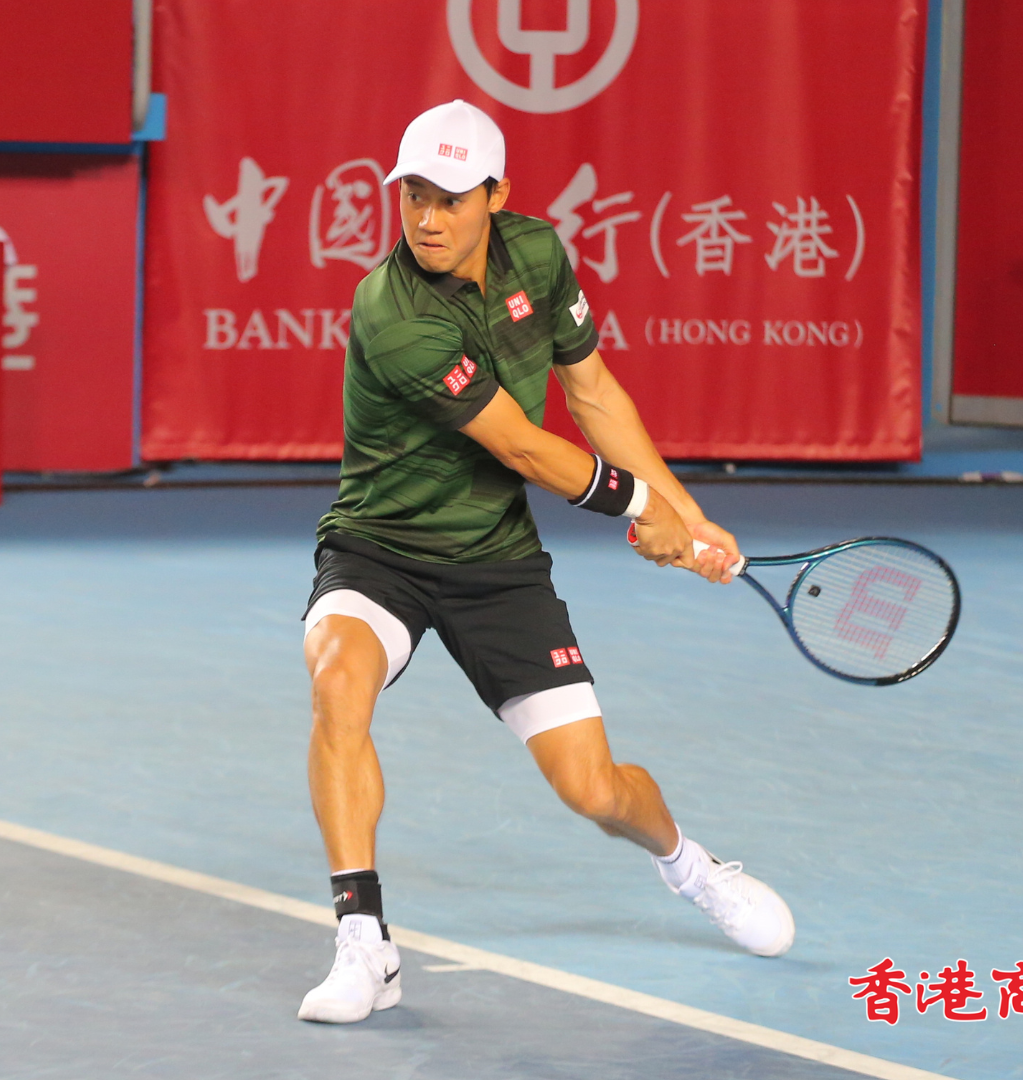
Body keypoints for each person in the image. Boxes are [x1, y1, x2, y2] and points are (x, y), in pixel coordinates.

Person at [297, 100, 794, 1026]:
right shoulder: (391, 310)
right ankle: (364, 945)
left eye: (450, 199)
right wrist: (642, 509)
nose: (427, 218)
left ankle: (693, 869)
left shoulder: (537, 253)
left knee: (592, 788)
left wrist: (687, 516)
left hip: (497, 563)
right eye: (413, 194)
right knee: (337, 685)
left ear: (496, 196)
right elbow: (523, 447)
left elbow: (592, 391)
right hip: (380, 550)